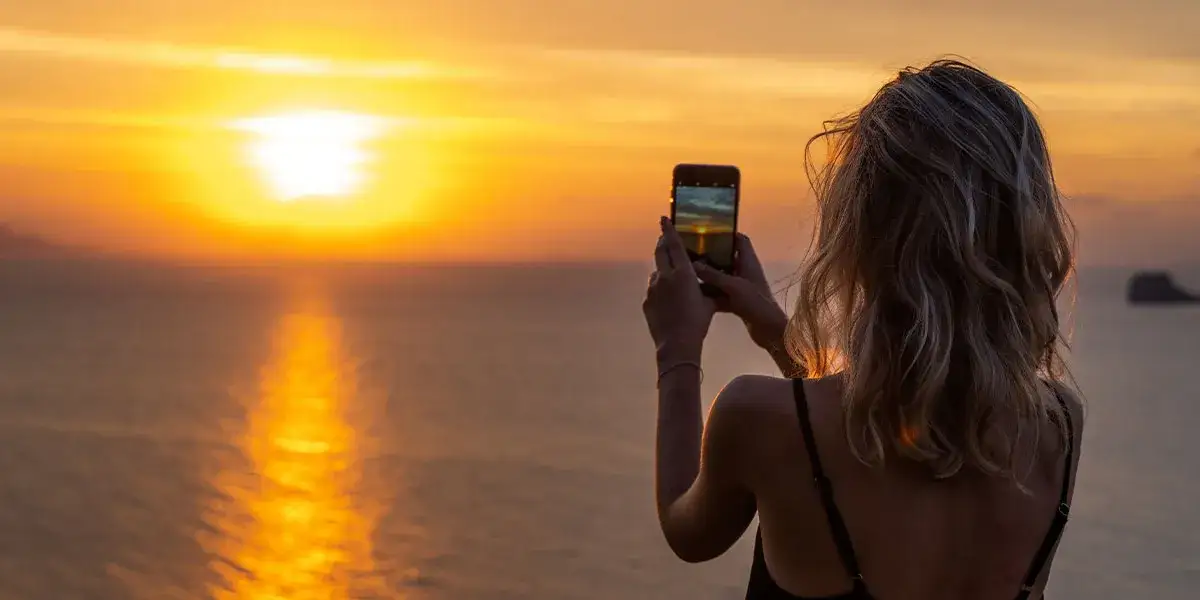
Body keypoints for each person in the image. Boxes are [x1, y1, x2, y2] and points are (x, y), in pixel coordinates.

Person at [642, 60, 1082, 600]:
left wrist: (677, 348)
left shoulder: (755, 417)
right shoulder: (1058, 426)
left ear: (861, 230)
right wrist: (774, 330)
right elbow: (885, 421)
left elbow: (687, 529)